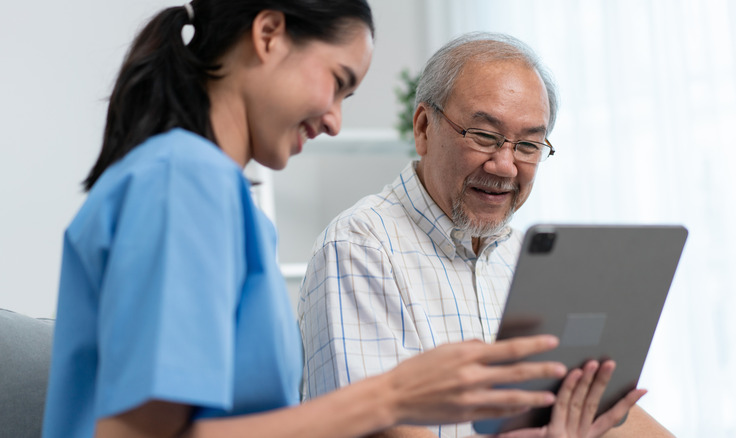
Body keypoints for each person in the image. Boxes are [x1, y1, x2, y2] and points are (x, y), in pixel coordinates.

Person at [39, 3, 611, 438]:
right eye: (338, 82)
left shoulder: (219, 198)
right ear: (268, 35)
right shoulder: (183, 181)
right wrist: (393, 395)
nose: (336, 121)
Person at [298, 32, 673, 437]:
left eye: (528, 145)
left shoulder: (526, 258)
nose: (505, 166)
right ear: (424, 127)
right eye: (485, 136)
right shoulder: (360, 246)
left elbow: (592, 408)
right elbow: (377, 429)